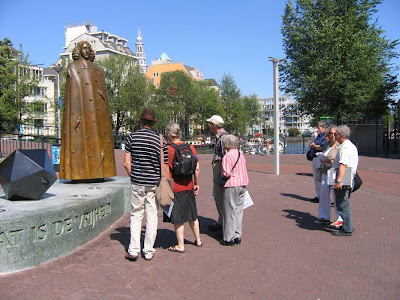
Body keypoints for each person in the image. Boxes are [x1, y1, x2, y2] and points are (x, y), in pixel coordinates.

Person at [59, 41, 116, 180]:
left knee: (98, 138)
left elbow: (103, 94)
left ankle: (100, 171)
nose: (85, 50)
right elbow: (72, 93)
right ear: (79, 50)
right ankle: (80, 172)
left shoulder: (97, 69)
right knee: (81, 139)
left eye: (88, 48)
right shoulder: (72, 67)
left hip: (97, 112)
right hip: (80, 110)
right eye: (83, 48)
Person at [123, 108, 168, 261]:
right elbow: (165, 165)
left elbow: (126, 163)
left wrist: (134, 175)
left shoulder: (131, 137)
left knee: (136, 214)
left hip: (137, 181)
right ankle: (148, 250)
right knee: (152, 215)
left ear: (141, 121)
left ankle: (133, 250)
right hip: (154, 183)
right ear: (153, 123)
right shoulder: (160, 140)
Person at [165, 123, 202, 253]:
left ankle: (180, 245)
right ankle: (198, 240)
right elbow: (196, 167)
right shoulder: (191, 147)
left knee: (178, 217)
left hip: (175, 187)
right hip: (189, 186)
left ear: (169, 135)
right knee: (193, 214)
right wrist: (196, 183)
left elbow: (165, 169)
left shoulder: (168, 149)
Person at [218, 135, 249, 246]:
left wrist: (220, 179)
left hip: (231, 185)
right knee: (238, 211)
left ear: (226, 144)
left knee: (229, 211)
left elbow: (226, 173)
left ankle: (228, 237)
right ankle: (237, 235)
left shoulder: (227, 156)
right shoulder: (241, 155)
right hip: (243, 183)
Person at [332, 125, 359, 236]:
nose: (334, 135)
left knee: (342, 203)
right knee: (343, 202)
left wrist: (339, 180)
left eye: (336, 134)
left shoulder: (345, 148)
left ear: (341, 135)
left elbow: (343, 165)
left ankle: (347, 228)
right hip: (348, 175)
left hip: (345, 176)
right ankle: (347, 226)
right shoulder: (349, 146)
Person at [314, 126, 343, 227]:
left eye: (335, 133)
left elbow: (340, 161)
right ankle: (324, 217)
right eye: (331, 133)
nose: (333, 135)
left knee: (336, 196)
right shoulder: (327, 144)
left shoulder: (339, 146)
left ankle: (340, 218)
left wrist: (329, 161)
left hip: (334, 172)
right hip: (325, 171)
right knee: (323, 194)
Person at [207, 115, 228, 232]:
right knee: (218, 197)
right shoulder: (221, 137)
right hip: (218, 169)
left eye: (210, 123)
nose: (209, 126)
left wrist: (222, 178)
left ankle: (225, 225)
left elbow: (226, 158)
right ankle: (221, 221)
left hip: (220, 170)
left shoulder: (223, 138)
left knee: (221, 197)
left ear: (215, 125)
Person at [309, 121, 327, 202]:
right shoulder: (318, 136)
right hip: (315, 157)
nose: (317, 130)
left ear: (323, 128)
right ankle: (318, 194)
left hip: (320, 158)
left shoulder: (325, 136)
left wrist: (314, 146)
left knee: (319, 177)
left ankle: (321, 196)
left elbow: (322, 147)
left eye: (319, 129)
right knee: (316, 177)